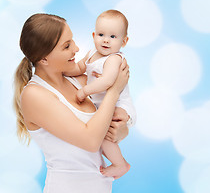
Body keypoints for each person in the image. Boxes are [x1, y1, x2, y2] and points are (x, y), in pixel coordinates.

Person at [13, 13, 133, 193]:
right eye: (67, 46)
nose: (76, 49)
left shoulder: (80, 80)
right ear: (44, 59)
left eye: (73, 41)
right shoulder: (34, 94)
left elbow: (106, 121)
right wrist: (114, 91)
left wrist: (123, 129)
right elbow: (91, 141)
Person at [66, 10, 136, 180]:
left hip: (120, 105)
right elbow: (80, 68)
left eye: (113, 36)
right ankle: (116, 160)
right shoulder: (91, 54)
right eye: (101, 34)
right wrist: (65, 71)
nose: (105, 40)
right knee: (101, 134)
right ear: (93, 35)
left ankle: (120, 164)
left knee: (104, 135)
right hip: (105, 105)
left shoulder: (114, 59)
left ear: (124, 41)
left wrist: (84, 91)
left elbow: (107, 81)